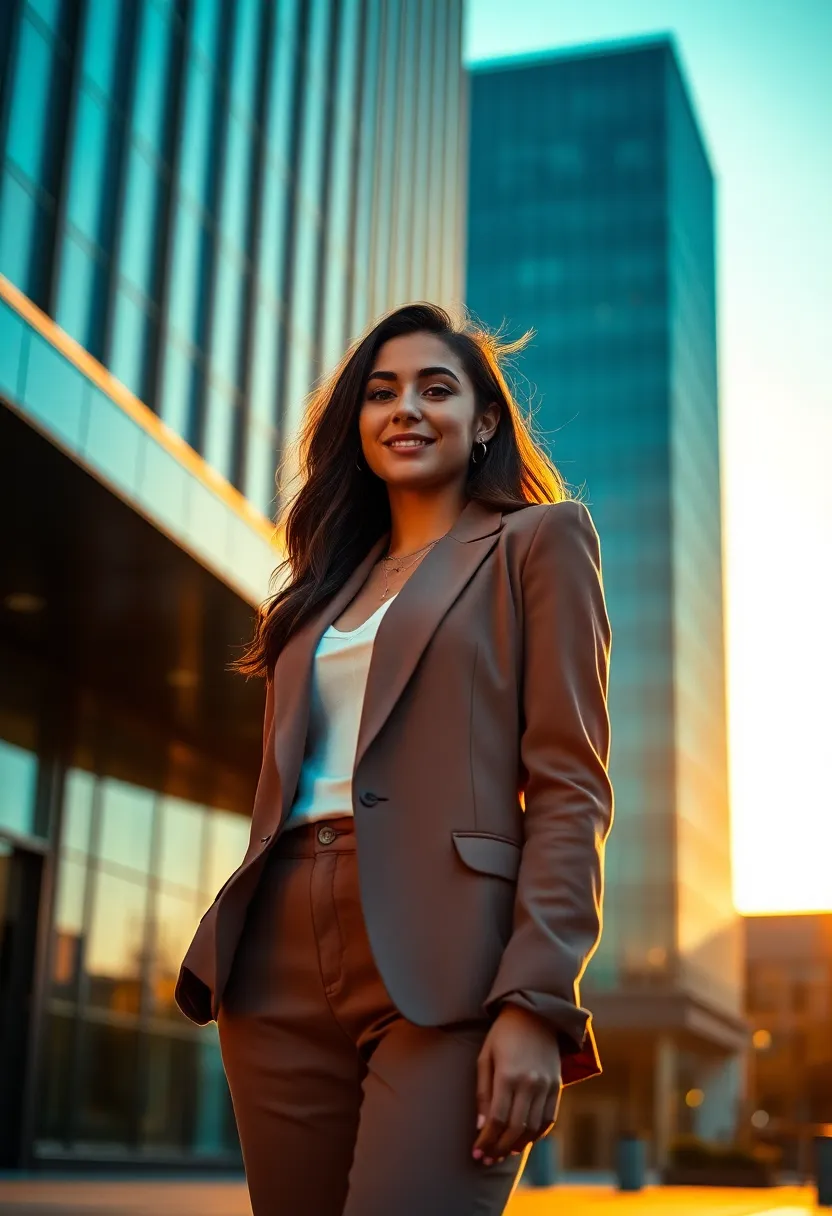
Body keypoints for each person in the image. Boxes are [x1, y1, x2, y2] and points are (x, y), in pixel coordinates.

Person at [175, 303, 614, 1215]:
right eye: (381, 393)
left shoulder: (539, 542)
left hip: (448, 959)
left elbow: (571, 787)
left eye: (435, 388)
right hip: (276, 959)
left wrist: (536, 1000)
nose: (405, 408)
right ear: (359, 424)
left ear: (483, 419)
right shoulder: (315, 590)